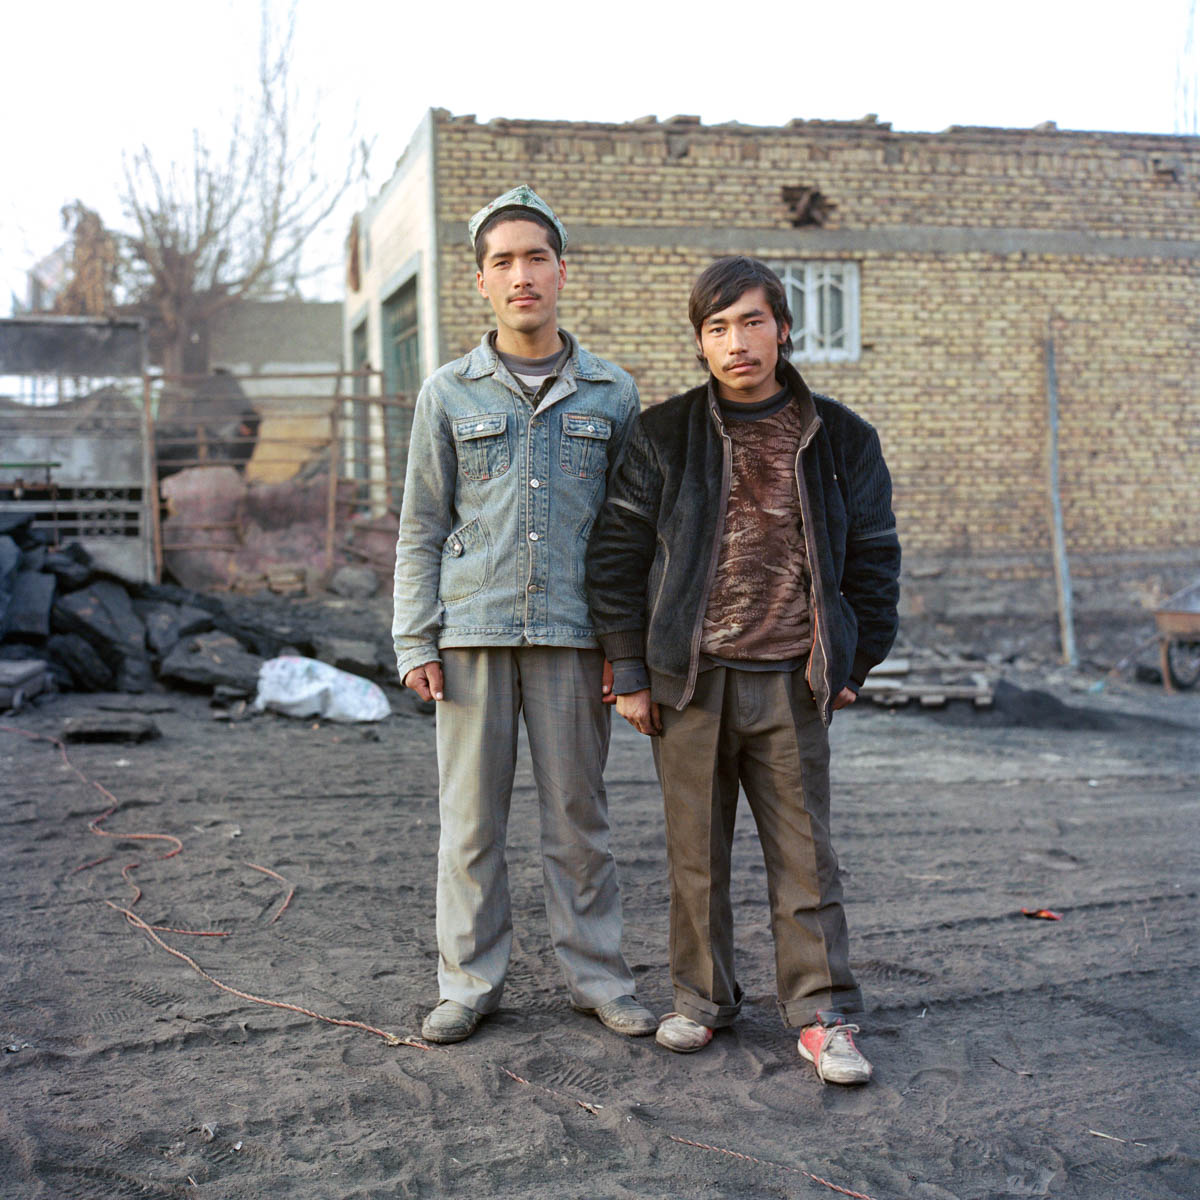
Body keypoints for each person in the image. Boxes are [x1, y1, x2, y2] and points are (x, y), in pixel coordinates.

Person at [585, 256, 901, 1084]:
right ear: (700, 341)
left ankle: (823, 1014)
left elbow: (874, 560)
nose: (737, 342)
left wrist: (852, 662)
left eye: (752, 322)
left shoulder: (842, 438)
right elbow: (615, 556)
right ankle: (702, 1001)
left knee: (806, 857)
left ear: (783, 328)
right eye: (718, 328)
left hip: (794, 680)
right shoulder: (662, 436)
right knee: (696, 856)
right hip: (690, 681)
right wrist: (629, 671)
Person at [393, 185, 655, 1045]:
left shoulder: (613, 394)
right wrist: (413, 638)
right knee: (470, 827)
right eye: (502, 262)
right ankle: (469, 983)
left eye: (535, 258)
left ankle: (599, 978)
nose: (521, 276)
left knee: (580, 821)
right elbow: (422, 525)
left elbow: (633, 537)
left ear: (562, 271)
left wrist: (631, 651)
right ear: (482, 283)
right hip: (471, 636)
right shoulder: (449, 392)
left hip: (576, 639)